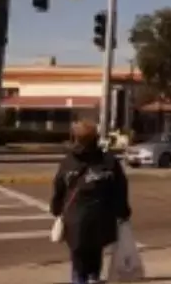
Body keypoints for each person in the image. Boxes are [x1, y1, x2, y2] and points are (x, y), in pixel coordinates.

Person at [51, 120, 132, 284]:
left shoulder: (68, 162)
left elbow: (59, 189)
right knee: (95, 258)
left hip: (75, 220)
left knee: (78, 261)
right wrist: (123, 212)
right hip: (101, 219)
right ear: (96, 139)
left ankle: (81, 279)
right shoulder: (109, 161)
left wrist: (56, 209)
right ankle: (93, 278)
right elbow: (120, 189)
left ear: (75, 139)